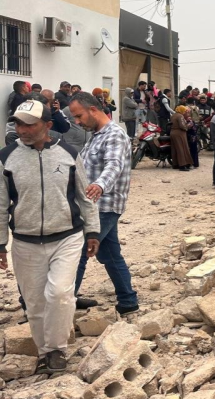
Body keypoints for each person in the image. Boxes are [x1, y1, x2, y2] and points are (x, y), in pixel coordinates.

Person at [0, 100, 100, 373]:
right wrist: (1, 243)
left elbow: (84, 195)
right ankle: (45, 353)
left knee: (59, 294)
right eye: (18, 123)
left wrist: (92, 230)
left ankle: (56, 349)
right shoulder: (6, 157)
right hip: (25, 241)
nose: (22, 130)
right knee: (34, 303)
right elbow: (1, 204)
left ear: (48, 125)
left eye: (29, 124)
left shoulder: (68, 153)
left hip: (67, 237)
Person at [69, 92, 138, 316]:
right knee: (110, 253)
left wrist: (100, 184)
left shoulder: (114, 134)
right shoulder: (95, 135)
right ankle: (128, 301)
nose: (77, 122)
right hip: (93, 205)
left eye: (79, 116)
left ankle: (63, 305)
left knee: (79, 253)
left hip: (104, 205)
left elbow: (114, 165)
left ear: (93, 109)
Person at [170, 105, 194, 171]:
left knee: (175, 149)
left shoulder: (173, 115)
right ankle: (182, 165)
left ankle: (175, 164)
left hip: (173, 132)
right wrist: (189, 125)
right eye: (184, 111)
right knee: (182, 149)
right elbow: (182, 126)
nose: (185, 112)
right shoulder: (180, 116)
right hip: (179, 133)